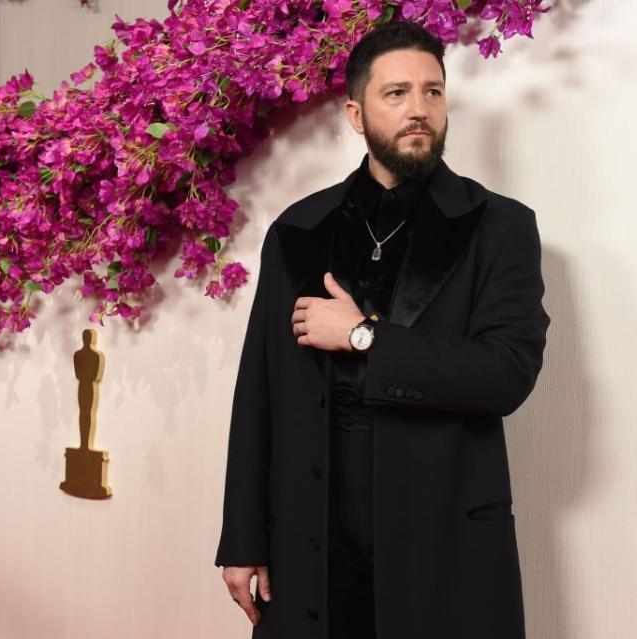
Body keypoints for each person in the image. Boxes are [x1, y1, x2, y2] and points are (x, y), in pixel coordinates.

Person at [215, 20, 551, 639]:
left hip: (441, 537)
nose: (418, 110)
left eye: (433, 92)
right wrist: (242, 537)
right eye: (396, 94)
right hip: (312, 534)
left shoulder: (501, 228)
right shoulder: (297, 229)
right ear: (355, 114)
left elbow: (505, 374)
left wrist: (363, 336)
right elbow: (258, 390)